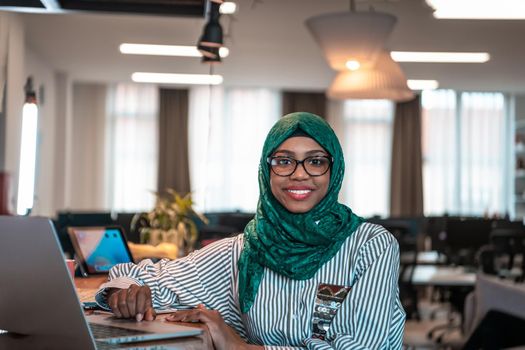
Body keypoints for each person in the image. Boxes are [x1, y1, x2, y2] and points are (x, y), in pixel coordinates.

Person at [96, 112, 406, 349]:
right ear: (266, 171)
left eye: (315, 161)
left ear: (334, 170)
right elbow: (138, 276)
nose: (299, 175)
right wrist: (123, 293)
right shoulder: (243, 250)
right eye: (284, 161)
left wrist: (241, 347)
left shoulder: (371, 246)